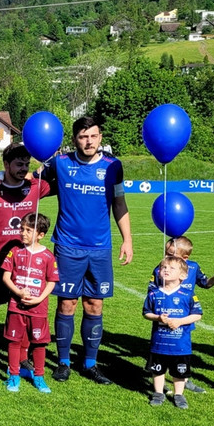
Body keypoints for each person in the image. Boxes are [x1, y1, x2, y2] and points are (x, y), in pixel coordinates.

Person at [41, 117, 132, 384]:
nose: (88, 141)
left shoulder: (113, 167)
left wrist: (127, 239)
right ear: (75, 139)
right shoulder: (60, 163)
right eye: (83, 137)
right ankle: (64, 362)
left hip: (100, 249)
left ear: (100, 137)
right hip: (68, 247)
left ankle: (90, 363)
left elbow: (119, 203)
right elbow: (29, 178)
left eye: (93, 136)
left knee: (94, 304)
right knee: (67, 303)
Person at [0, 143, 51, 370]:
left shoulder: (36, 186)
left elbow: (56, 173)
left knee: (24, 306)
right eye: (18, 164)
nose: (23, 168)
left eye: (27, 164)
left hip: (25, 260)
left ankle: (21, 355)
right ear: (5, 164)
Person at [1, 213, 59, 394]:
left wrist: (39, 298)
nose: (23, 233)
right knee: (14, 341)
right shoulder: (15, 252)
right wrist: (18, 292)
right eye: (22, 229)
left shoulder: (48, 256)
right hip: (16, 307)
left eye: (28, 230)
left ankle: (39, 376)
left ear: (41, 235)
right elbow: (5, 276)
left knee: (39, 343)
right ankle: (14, 375)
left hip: (38, 309)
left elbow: (51, 281)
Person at [143, 256, 204, 409]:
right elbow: (145, 313)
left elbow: (197, 314)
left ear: (183, 276)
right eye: (163, 268)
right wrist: (157, 317)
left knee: (179, 372)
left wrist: (179, 321)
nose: (166, 270)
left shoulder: (187, 295)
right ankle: (158, 393)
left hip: (181, 345)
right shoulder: (153, 294)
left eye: (171, 268)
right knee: (158, 370)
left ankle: (179, 394)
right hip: (159, 343)